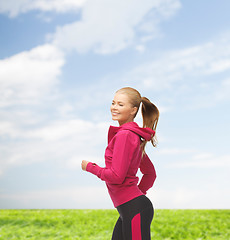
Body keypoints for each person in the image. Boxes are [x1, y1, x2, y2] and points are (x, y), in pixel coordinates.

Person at [81, 87, 159, 240]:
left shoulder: (125, 136)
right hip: (130, 209)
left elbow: (116, 176)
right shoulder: (133, 136)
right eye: (113, 103)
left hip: (134, 208)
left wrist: (90, 167)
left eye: (120, 104)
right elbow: (150, 174)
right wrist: (137, 193)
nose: (114, 107)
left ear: (133, 110)